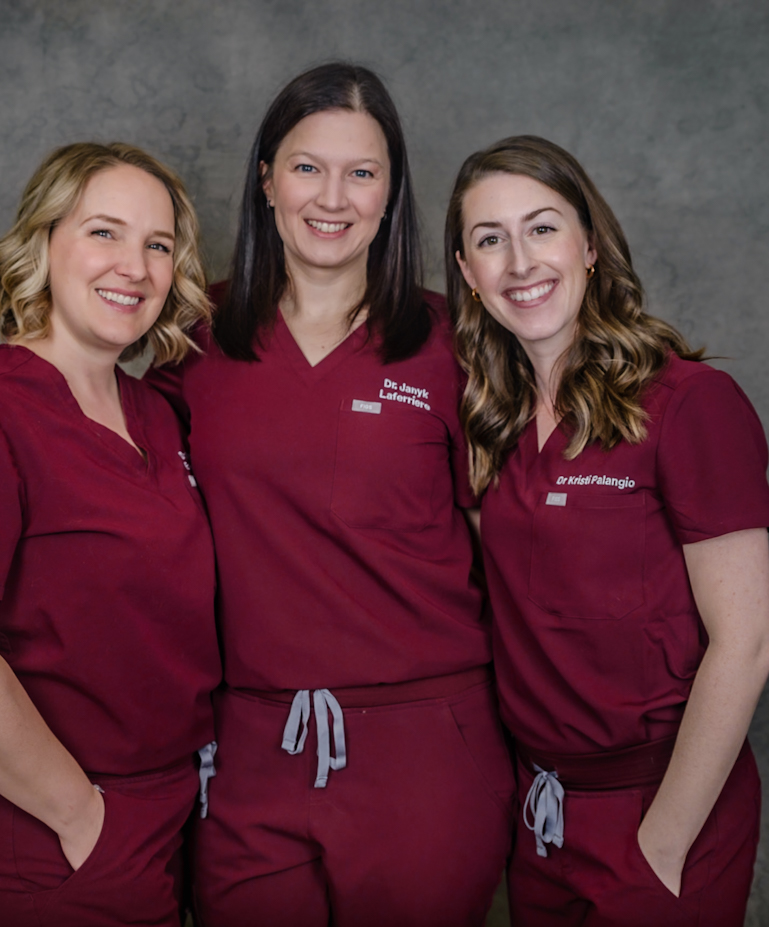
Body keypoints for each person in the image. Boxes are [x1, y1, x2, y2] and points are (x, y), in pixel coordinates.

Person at [146, 63, 514, 926]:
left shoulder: (451, 347)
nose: (333, 197)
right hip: (250, 748)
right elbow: (85, 431)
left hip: (426, 746)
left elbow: (528, 538)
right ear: (266, 178)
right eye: (308, 167)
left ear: (392, 194)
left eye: (363, 172)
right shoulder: (190, 343)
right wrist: (10, 376)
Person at [0, 142, 222, 926]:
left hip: (161, 815)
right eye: (104, 232)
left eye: (159, 244)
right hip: (36, 829)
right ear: (41, 244)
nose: (133, 265)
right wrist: (84, 821)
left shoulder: (159, 415)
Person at [446, 135, 769, 927]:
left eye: (544, 227)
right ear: (466, 273)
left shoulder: (689, 402)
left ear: (590, 245)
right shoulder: (487, 423)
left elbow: (748, 643)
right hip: (544, 810)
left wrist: (661, 842)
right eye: (490, 240)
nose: (520, 261)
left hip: (664, 803)